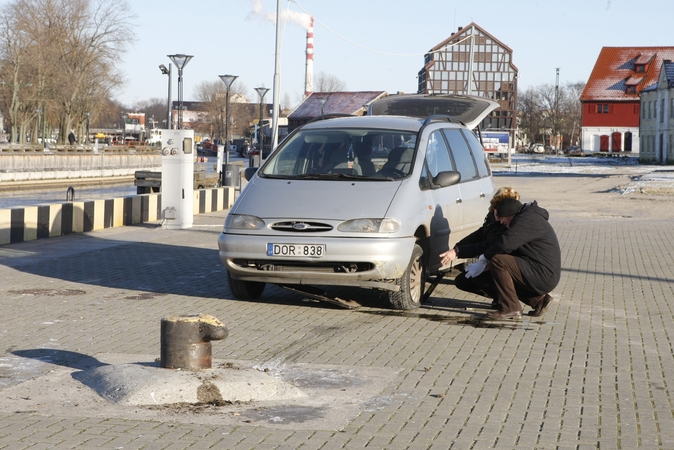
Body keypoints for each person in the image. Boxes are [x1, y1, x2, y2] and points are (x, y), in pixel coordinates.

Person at [440, 187, 520, 304]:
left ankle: (506, 298)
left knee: (478, 276)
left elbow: (486, 245)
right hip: (490, 261)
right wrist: (457, 247)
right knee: (463, 280)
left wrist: (459, 252)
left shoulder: (509, 224)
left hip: (504, 265)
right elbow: (480, 234)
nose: (496, 213)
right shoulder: (492, 216)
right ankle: (499, 296)